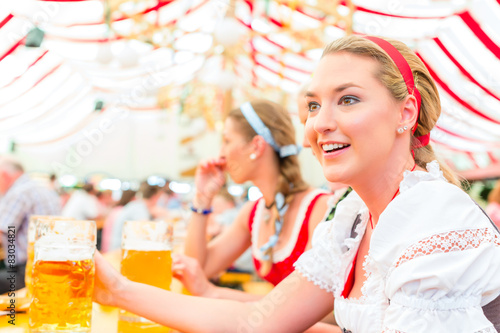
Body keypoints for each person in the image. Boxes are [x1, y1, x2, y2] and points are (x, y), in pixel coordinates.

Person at [93, 35, 500, 332]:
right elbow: (262, 321)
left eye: (348, 99)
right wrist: (118, 292)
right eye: (312, 105)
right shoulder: (353, 220)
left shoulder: (435, 220)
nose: (319, 123)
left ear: (406, 113)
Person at [180, 99, 330, 298]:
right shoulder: (253, 213)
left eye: (226, 141)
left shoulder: (319, 208)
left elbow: (310, 307)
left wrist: (213, 293)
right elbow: (198, 269)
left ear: (256, 146)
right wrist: (202, 198)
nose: (221, 154)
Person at [0, 156, 61, 293]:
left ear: (4, 175)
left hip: (25, 272)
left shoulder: (18, 192)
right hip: (50, 268)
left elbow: (3, 231)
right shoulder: (45, 190)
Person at [109, 184, 167, 251]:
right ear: (155, 197)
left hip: (124, 248)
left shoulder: (138, 205)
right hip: (119, 250)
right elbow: (147, 233)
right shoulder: (139, 208)